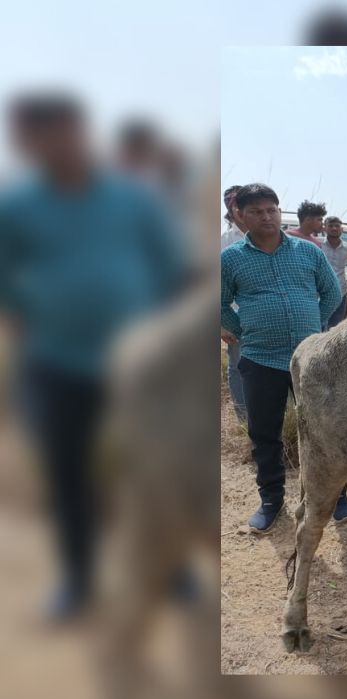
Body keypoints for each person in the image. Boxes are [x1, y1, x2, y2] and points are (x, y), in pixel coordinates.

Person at [0, 92, 187, 620]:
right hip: (56, 362)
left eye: (62, 132)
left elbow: (170, 269)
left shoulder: (133, 200)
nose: (53, 146)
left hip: (139, 364)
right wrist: (32, 314)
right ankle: (79, 580)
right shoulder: (17, 206)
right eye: (38, 138)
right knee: (69, 474)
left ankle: (169, 570)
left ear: (80, 132)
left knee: (151, 469)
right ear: (27, 144)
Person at [219, 183, 347, 532]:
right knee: (265, 433)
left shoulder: (307, 252)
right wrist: (242, 328)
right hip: (261, 359)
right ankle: (271, 500)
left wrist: (316, 323)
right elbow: (217, 301)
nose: (266, 217)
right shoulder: (230, 259)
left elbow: (331, 291)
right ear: (241, 215)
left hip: (310, 360)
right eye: (257, 211)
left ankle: (336, 496)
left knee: (325, 431)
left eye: (272, 210)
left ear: (280, 212)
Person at [221, 185, 249, 422]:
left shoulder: (269, 236)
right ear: (232, 211)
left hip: (268, 316)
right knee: (239, 366)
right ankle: (244, 418)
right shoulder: (225, 242)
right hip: (236, 317)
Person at [320, 215, 347, 328]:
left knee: (335, 326)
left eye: (337, 226)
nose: (334, 228)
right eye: (330, 226)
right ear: (324, 228)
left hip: (340, 292)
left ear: (341, 229)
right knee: (318, 324)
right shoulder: (318, 244)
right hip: (320, 292)